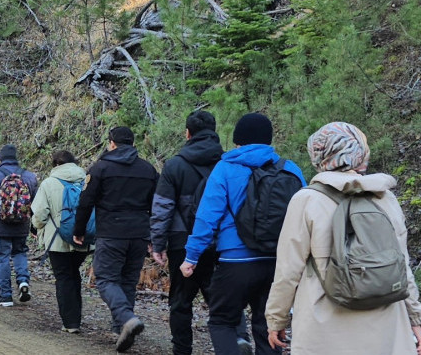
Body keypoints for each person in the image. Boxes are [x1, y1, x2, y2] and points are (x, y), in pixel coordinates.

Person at [265, 122, 421, 354]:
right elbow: (402, 265)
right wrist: (416, 318)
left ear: (319, 155)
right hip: (386, 324)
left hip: (323, 325)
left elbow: (288, 271)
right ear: (361, 152)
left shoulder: (306, 200)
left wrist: (276, 319)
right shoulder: (385, 197)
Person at [179, 113, 306, 355]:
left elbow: (207, 217)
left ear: (237, 140)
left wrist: (191, 256)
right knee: (269, 324)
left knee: (222, 321)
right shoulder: (290, 169)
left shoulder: (226, 168)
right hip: (277, 262)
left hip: (236, 261)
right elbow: (304, 215)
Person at [150, 110, 251, 355]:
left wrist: (158, 243)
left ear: (187, 133)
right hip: (222, 242)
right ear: (215, 132)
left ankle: (182, 350)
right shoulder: (228, 164)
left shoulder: (175, 165)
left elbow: (162, 208)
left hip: (182, 242)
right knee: (223, 296)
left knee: (180, 301)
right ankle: (237, 338)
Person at [73, 126, 159, 352]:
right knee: (128, 281)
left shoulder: (100, 168)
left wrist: (79, 230)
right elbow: (157, 205)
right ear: (133, 144)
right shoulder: (148, 169)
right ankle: (120, 327)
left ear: (111, 143)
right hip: (139, 233)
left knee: (105, 279)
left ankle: (126, 318)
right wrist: (154, 234)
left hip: (111, 233)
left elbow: (85, 202)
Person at [31, 150, 90, 332]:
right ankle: (76, 318)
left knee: (63, 277)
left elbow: (40, 214)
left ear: (56, 164)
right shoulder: (86, 181)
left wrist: (36, 227)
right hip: (83, 237)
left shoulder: (49, 183)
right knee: (74, 274)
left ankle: (71, 323)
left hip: (57, 239)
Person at [0, 144, 38, 307]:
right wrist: (33, 226)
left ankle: (5, 296)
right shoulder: (29, 176)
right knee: (20, 253)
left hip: (0, 225)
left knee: (2, 258)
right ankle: (23, 282)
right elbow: (36, 203)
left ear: (0, 159)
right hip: (22, 224)